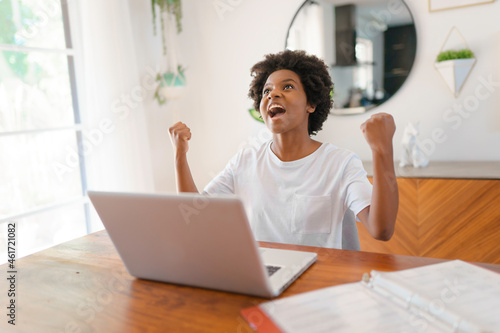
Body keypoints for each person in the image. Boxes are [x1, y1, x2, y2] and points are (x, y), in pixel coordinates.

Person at [168, 50, 398, 249]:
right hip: (264, 280)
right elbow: (195, 218)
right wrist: (180, 155)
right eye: (266, 91)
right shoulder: (245, 161)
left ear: (311, 104)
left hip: (321, 287)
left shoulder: (341, 163)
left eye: (287, 87)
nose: (273, 94)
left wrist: (382, 150)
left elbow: (381, 230)